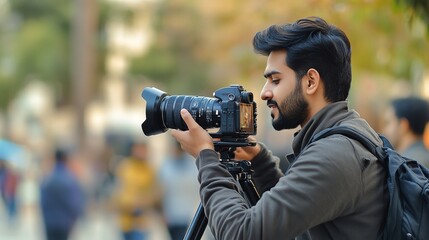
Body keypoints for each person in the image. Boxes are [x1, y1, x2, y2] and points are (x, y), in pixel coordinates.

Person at [171, 16, 388, 239]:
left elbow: (241, 233)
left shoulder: (333, 154)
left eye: (275, 80)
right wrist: (260, 163)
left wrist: (206, 158)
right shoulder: (347, 136)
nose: (265, 93)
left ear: (311, 81)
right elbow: (296, 220)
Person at [112, 140, 161, 240]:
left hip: (141, 222)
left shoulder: (150, 169)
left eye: (143, 150)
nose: (141, 152)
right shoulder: (125, 167)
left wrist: (143, 202)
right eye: (139, 149)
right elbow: (118, 191)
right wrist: (129, 203)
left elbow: (155, 193)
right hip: (125, 220)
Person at [40, 148, 86, 240]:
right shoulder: (70, 179)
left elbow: (43, 201)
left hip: (49, 222)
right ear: (66, 159)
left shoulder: (47, 178)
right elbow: (74, 203)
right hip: (64, 222)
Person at [158, 140, 200, 240]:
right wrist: (162, 213)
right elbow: (161, 192)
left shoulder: (191, 166)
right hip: (171, 215)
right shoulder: (167, 165)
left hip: (187, 214)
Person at [382, 96, 429, 168]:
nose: (384, 130)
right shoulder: (424, 157)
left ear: (403, 125)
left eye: (388, 123)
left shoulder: (405, 166)